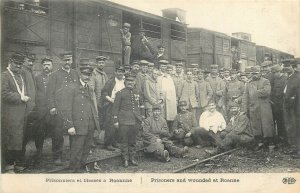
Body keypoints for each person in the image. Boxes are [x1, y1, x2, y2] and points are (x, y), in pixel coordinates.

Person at [65, 65, 100, 173]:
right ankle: (74, 169)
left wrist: (95, 123)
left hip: (89, 124)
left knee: (86, 148)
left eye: (89, 75)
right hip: (78, 124)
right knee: (77, 148)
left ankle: (81, 166)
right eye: (85, 74)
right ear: (80, 74)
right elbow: (67, 108)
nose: (87, 77)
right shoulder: (72, 87)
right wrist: (70, 125)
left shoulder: (89, 88)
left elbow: (92, 106)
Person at [47, 52, 80, 165]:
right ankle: (57, 156)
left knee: (74, 133)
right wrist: (52, 106)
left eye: (69, 60)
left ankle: (73, 155)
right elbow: (49, 93)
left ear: (72, 61)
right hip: (59, 109)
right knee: (57, 134)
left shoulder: (75, 74)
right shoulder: (54, 75)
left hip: (73, 109)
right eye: (65, 60)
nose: (67, 62)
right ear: (61, 61)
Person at [2, 53, 29, 173]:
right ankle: (9, 167)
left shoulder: (20, 76)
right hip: (10, 114)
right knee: (10, 139)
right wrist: (20, 97)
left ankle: (16, 163)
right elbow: (3, 93)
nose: (18, 66)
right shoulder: (4, 76)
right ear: (10, 62)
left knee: (19, 139)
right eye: (16, 63)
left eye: (20, 64)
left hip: (20, 113)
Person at [112, 73, 144, 167]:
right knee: (124, 141)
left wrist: (142, 117)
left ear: (135, 82)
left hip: (135, 121)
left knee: (133, 141)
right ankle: (125, 159)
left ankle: (132, 158)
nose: (130, 83)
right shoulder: (120, 93)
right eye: (128, 81)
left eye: (132, 81)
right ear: (125, 82)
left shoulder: (138, 92)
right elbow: (115, 108)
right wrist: (115, 121)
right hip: (124, 121)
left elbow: (142, 106)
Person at [242, 66, 275, 151]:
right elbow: (245, 97)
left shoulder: (265, 81)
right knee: (256, 126)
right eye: (253, 73)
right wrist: (244, 109)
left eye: (256, 73)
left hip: (264, 108)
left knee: (266, 125)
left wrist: (255, 92)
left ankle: (270, 143)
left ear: (260, 73)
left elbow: (266, 92)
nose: (254, 75)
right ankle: (260, 143)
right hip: (253, 107)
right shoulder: (248, 83)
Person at [32, 57, 54, 162]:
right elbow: (35, 92)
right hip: (41, 108)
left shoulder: (55, 77)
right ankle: (39, 151)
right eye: (44, 64)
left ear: (52, 66)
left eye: (48, 64)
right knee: (39, 130)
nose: (46, 66)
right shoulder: (37, 78)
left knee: (56, 130)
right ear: (42, 66)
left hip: (53, 108)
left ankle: (56, 153)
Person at [100, 66, 125, 151]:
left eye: (122, 72)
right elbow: (104, 92)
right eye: (118, 71)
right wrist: (109, 99)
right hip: (112, 104)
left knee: (118, 123)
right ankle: (108, 143)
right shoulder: (111, 81)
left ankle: (115, 141)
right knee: (110, 124)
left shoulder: (124, 82)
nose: (120, 73)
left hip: (121, 105)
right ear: (115, 72)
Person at [88, 56, 108, 144]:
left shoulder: (104, 74)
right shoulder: (94, 73)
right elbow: (91, 88)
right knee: (95, 120)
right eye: (99, 62)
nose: (101, 64)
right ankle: (91, 139)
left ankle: (98, 138)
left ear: (104, 64)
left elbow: (106, 87)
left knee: (101, 120)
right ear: (97, 63)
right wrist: (94, 101)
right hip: (96, 100)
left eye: (102, 63)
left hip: (103, 101)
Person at [283, 63, 300, 158]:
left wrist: (291, 102)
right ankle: (295, 148)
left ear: (293, 68)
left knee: (297, 127)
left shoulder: (296, 77)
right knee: (292, 127)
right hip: (289, 105)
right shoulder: (289, 77)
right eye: (285, 66)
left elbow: (294, 94)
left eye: (289, 66)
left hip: (294, 107)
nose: (286, 68)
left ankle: (298, 150)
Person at [270, 64, 287, 145]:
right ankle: (276, 138)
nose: (274, 74)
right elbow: (272, 91)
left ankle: (283, 138)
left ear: (279, 72)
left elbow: (285, 93)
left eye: (275, 72)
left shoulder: (285, 79)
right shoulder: (274, 79)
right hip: (274, 104)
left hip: (281, 104)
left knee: (281, 122)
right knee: (273, 121)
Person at [157, 60, 177, 128]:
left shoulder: (168, 76)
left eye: (165, 66)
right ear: (159, 66)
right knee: (162, 115)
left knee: (170, 115)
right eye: (162, 66)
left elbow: (172, 89)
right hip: (161, 98)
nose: (163, 67)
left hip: (169, 99)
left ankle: (169, 130)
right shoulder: (157, 76)